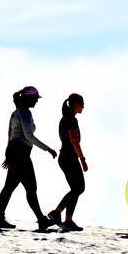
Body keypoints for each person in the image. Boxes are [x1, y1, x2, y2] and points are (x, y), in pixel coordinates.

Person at [0, 86, 59, 231]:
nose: (36, 101)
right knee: (30, 188)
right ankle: (41, 220)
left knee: (10, 186)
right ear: (29, 98)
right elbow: (29, 136)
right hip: (21, 153)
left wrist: (8, 154)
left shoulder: (15, 113)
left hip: (14, 151)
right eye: (35, 98)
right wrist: (48, 149)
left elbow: (10, 135)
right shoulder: (26, 113)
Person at [47, 93, 88, 231]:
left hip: (65, 157)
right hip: (69, 158)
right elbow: (73, 140)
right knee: (78, 188)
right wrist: (82, 159)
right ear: (76, 104)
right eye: (82, 103)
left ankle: (68, 219)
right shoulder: (70, 120)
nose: (83, 106)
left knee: (76, 189)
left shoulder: (65, 119)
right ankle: (57, 212)